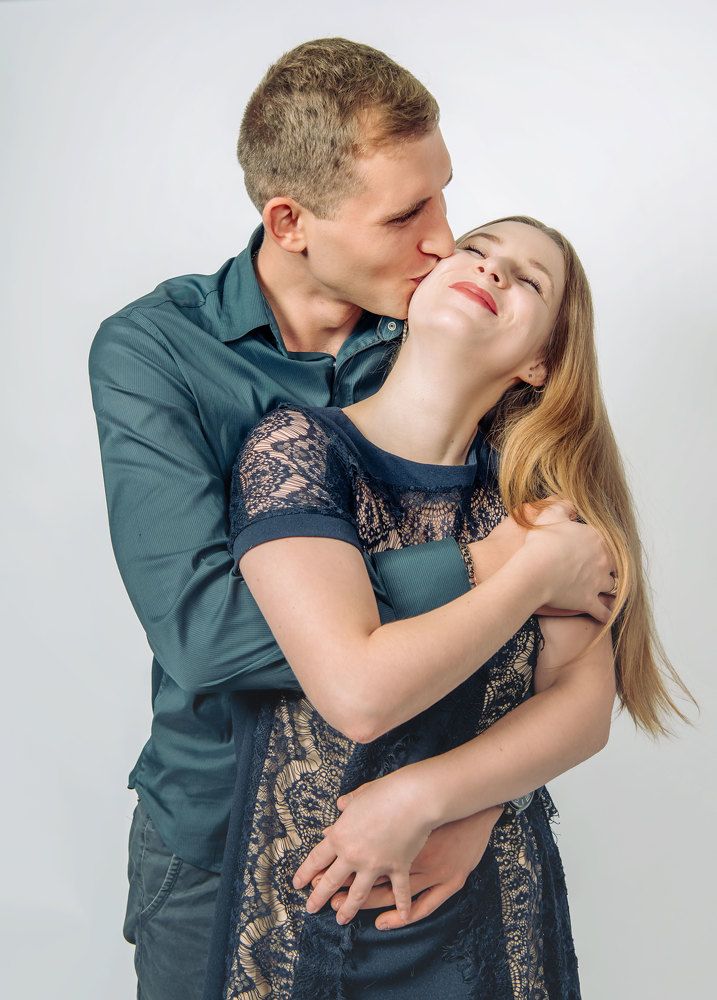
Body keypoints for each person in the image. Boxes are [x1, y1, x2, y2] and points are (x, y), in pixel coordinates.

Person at [90, 38, 618, 1000]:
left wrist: (462, 803)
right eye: (406, 215)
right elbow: (206, 634)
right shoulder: (155, 352)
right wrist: (487, 564)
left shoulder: (451, 328)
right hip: (214, 836)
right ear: (290, 222)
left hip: (443, 839)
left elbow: (575, 665)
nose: (444, 242)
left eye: (444, 197)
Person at [210, 217, 692, 999]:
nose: (493, 272)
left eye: (528, 280)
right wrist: (532, 573)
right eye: (475, 252)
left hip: (487, 905)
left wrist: (427, 798)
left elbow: (581, 711)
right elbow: (359, 693)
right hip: (311, 903)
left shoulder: (540, 497)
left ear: (539, 362)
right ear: (418, 288)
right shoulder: (295, 449)